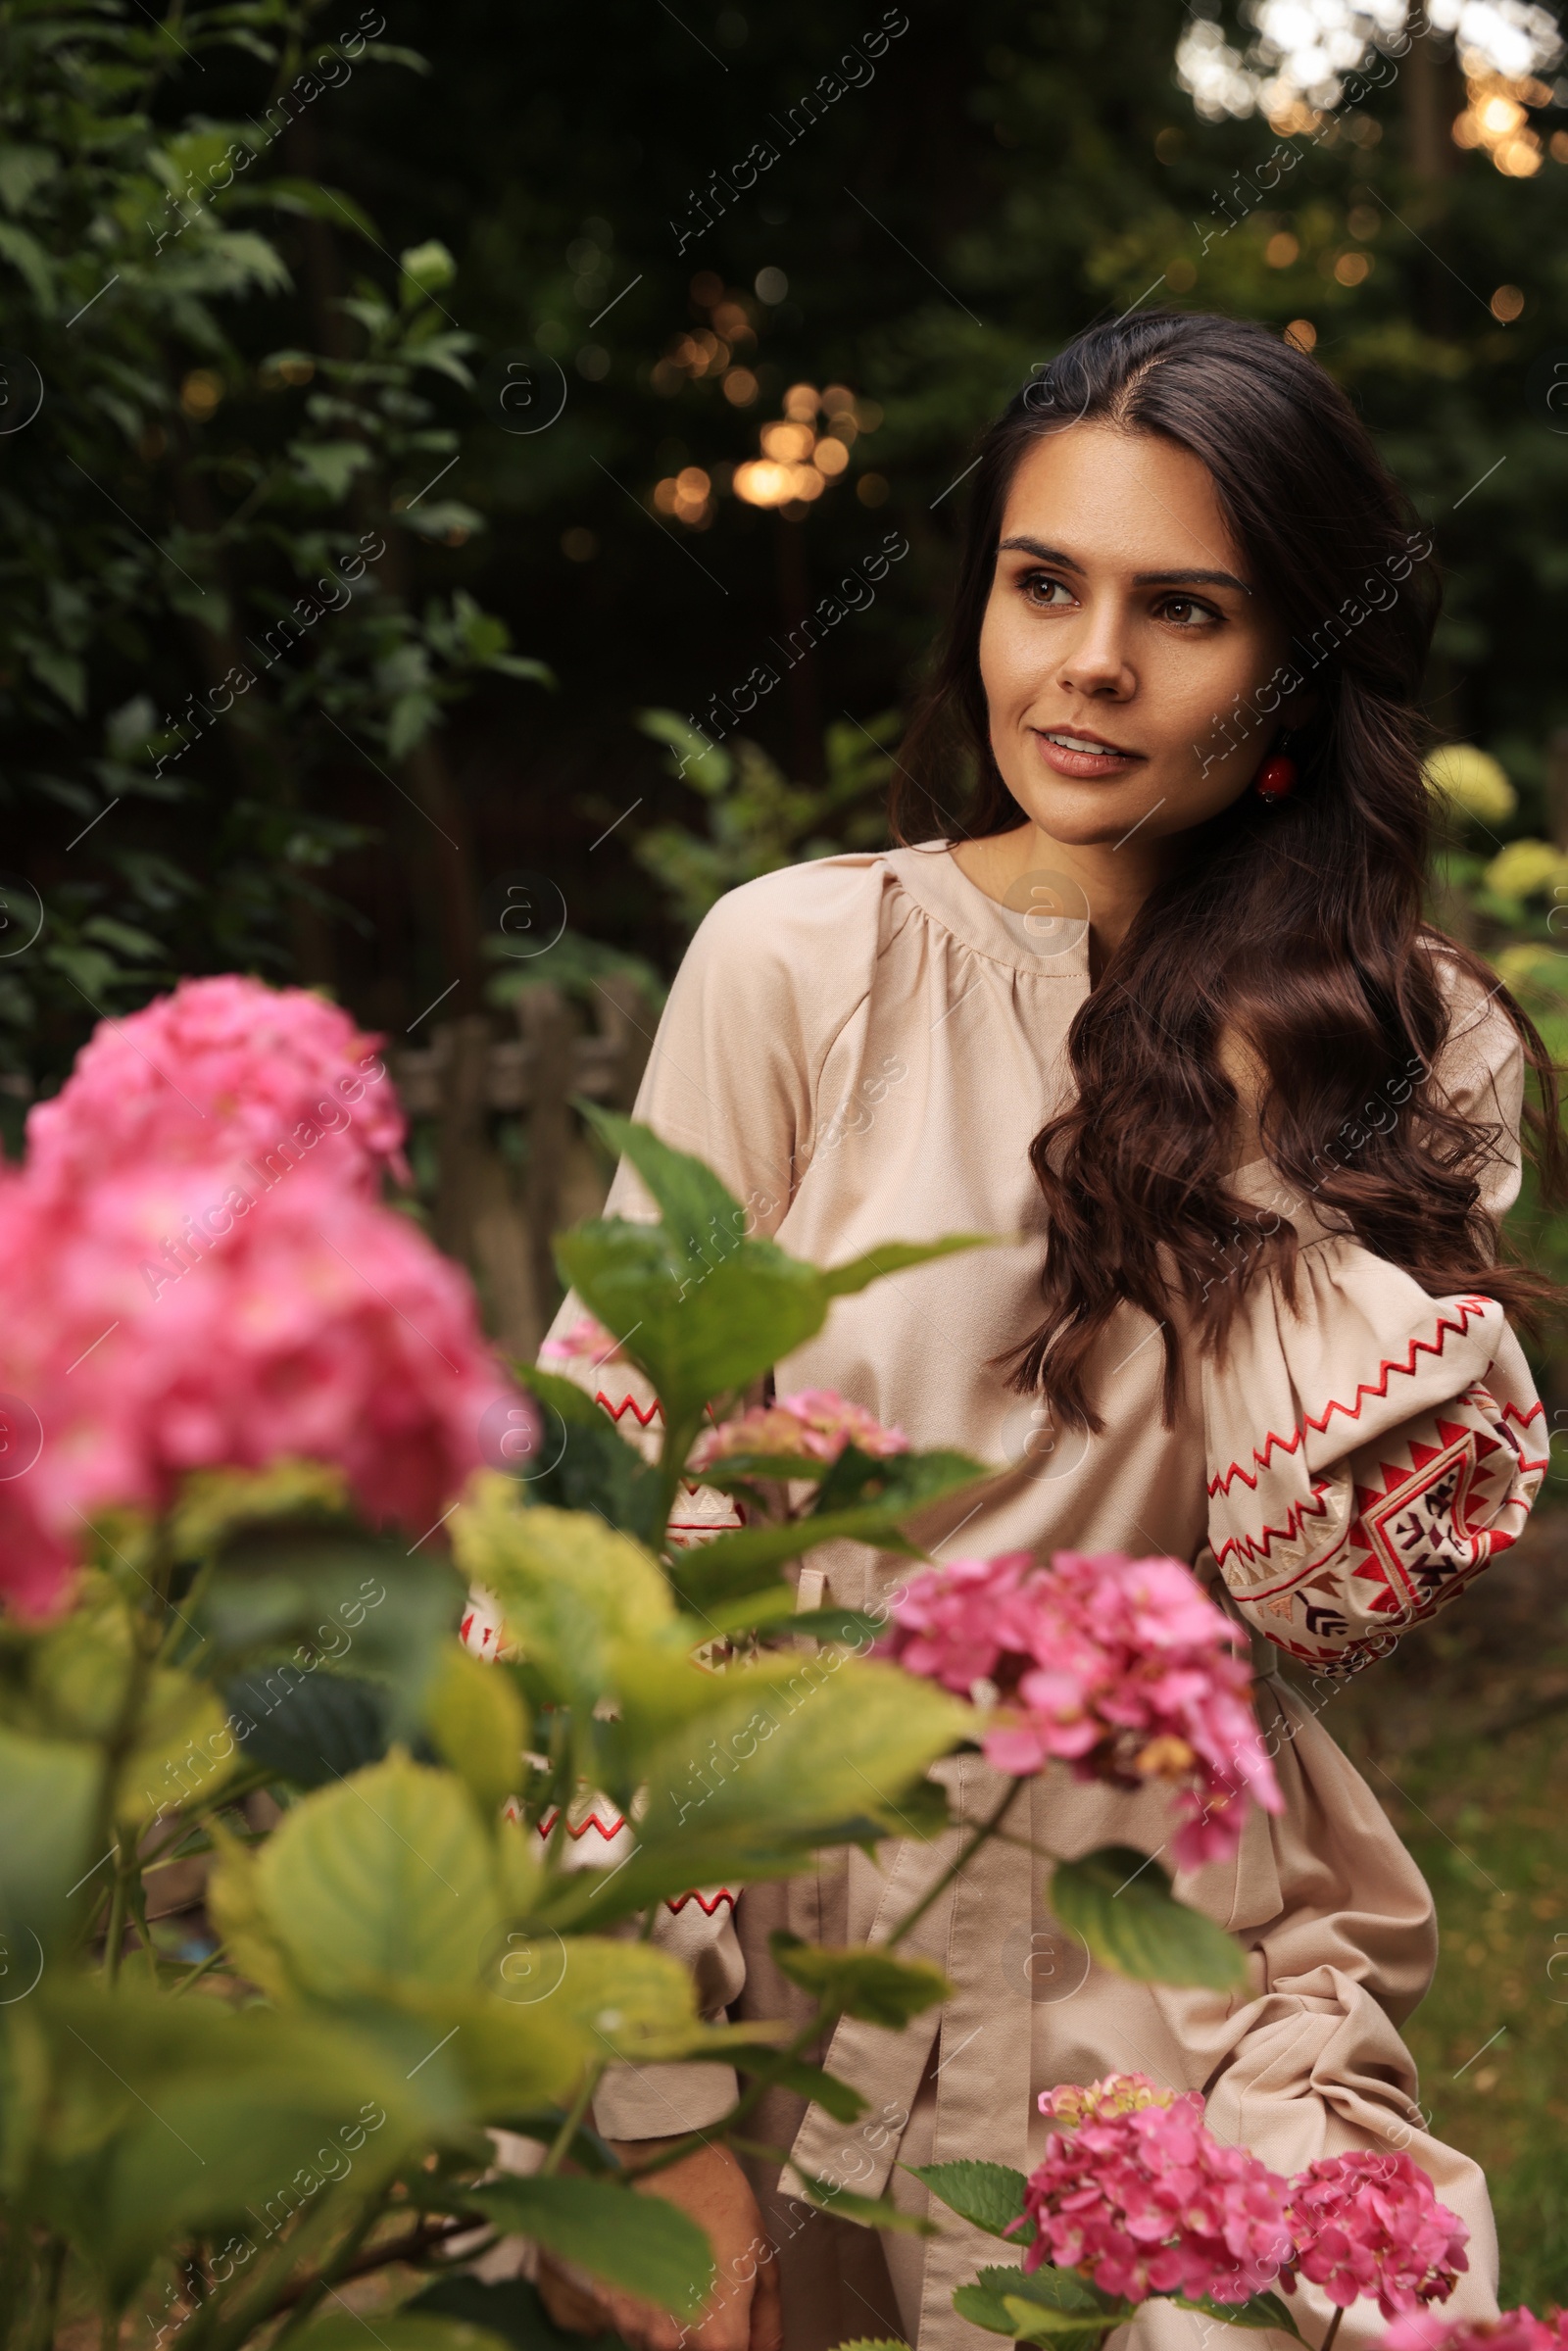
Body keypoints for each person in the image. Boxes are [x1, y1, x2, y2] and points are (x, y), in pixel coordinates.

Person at [520, 313, 1560, 2351]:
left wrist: (1253, 1107)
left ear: (1289, 669)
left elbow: (1328, 1583)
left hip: (1182, 1963)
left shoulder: (1411, 1038)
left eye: (1178, 609)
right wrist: (646, 2112)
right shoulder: (804, 964)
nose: (1086, 663)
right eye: (1040, 583)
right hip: (799, 1966)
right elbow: (614, 1527)